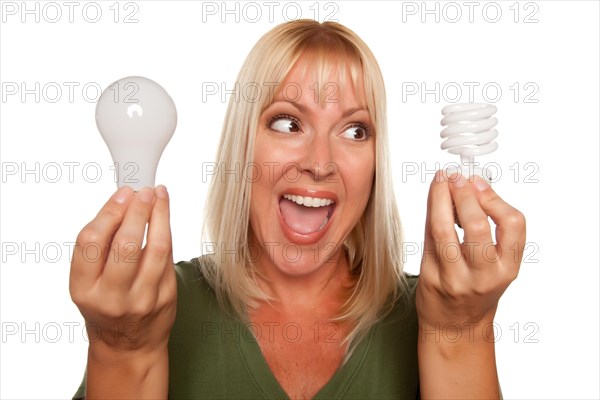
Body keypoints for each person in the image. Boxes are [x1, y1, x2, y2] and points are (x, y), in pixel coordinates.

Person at [70, 19, 526, 399]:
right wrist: (121, 349)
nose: (319, 163)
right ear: (242, 145)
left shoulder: (437, 310)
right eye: (288, 122)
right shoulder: (148, 308)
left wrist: (462, 332)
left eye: (354, 131)